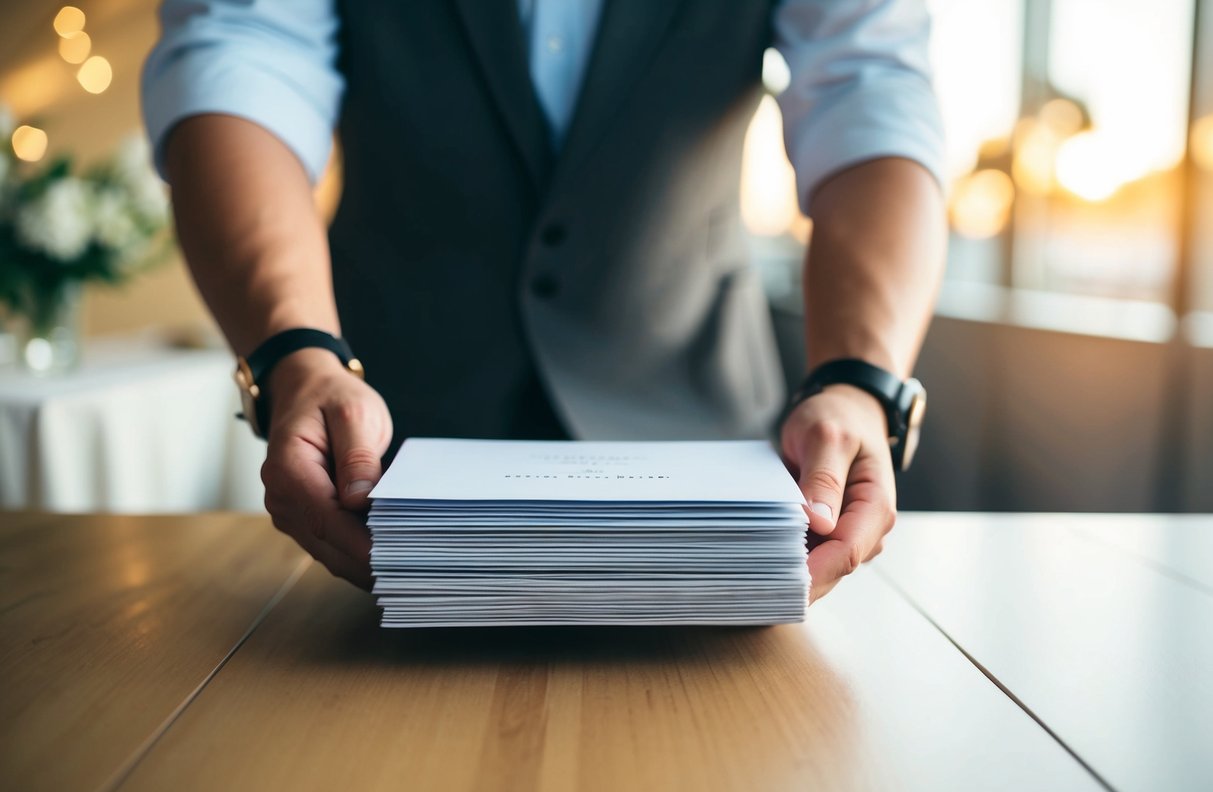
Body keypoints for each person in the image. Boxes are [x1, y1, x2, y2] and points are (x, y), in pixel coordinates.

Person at [143, 0, 946, 603]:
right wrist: (295, 353)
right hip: (381, 467)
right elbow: (242, 53)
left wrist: (859, 378)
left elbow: (865, 85)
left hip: (708, 463)